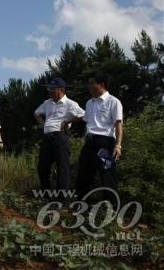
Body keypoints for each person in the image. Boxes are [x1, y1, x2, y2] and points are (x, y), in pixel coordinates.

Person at [76, 73, 123, 203]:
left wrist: (118, 145)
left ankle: (111, 209)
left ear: (101, 85)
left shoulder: (113, 102)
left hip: (105, 143)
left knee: (107, 176)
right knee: (83, 176)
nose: (89, 86)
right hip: (90, 142)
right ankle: (83, 206)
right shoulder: (89, 103)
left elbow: (118, 124)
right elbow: (85, 119)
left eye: (92, 83)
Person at [34, 78, 85, 196]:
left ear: (61, 90)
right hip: (47, 137)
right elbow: (36, 113)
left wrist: (67, 122)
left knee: (63, 168)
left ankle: (62, 199)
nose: (50, 91)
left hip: (60, 136)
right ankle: (45, 196)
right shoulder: (47, 103)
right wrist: (43, 124)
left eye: (52, 89)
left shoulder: (70, 104)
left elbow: (84, 115)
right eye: (49, 89)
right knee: (42, 167)